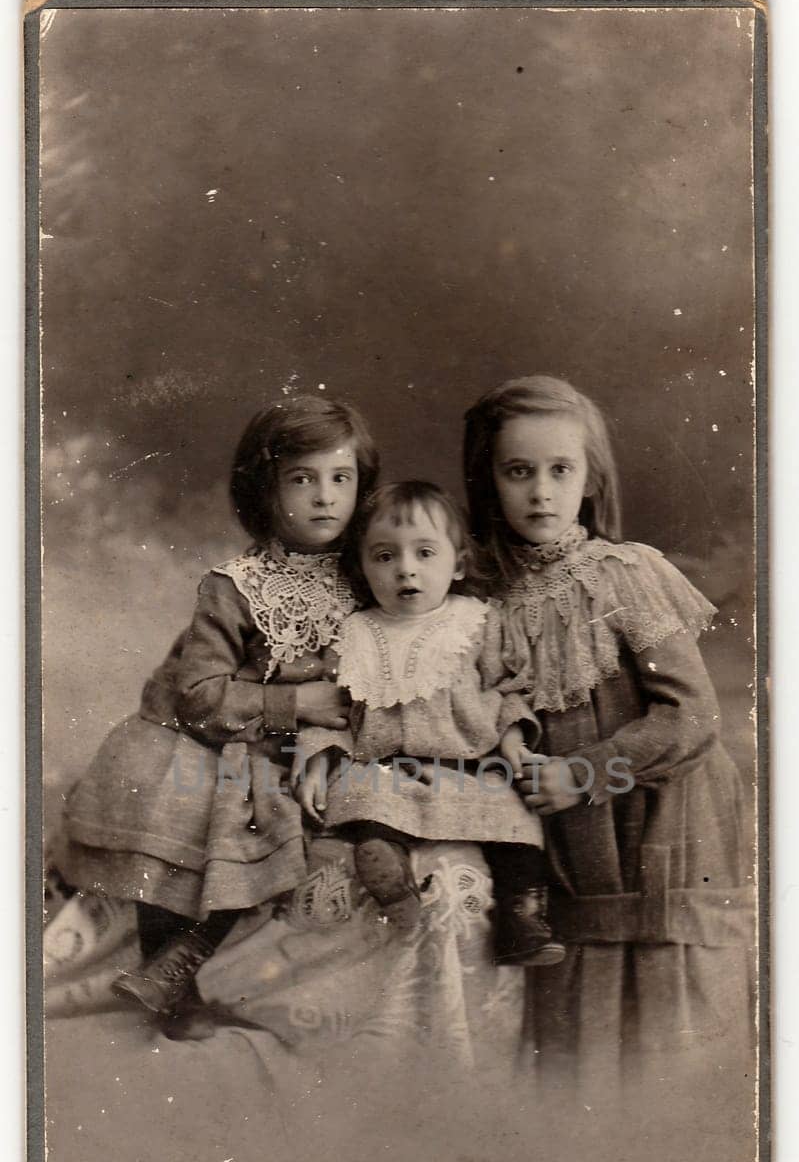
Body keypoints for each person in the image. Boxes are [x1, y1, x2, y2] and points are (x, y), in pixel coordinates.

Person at [52, 392, 379, 1023]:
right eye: (302, 479)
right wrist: (295, 703)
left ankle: (184, 965)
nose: (324, 496)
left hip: (322, 751)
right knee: (179, 807)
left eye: (342, 478)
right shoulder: (235, 587)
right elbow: (199, 697)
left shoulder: (371, 571)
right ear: (265, 489)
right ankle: (169, 976)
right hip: (219, 740)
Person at [462, 372, 753, 1056]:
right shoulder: (480, 597)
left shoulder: (621, 576)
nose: (540, 491)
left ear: (590, 479)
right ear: (488, 480)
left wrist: (582, 772)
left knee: (667, 1037)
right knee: (577, 1050)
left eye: (560, 470)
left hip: (654, 831)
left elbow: (690, 715)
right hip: (568, 860)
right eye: (517, 471)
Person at [294, 479, 564, 965]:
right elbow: (331, 710)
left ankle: (521, 917)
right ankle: (391, 878)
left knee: (517, 821)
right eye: (385, 557)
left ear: (458, 564)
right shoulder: (355, 633)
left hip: (472, 763)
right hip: (387, 766)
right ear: (362, 566)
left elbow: (508, 688)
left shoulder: (480, 622)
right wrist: (317, 760)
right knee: (363, 802)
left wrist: (514, 737)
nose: (406, 571)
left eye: (424, 553)